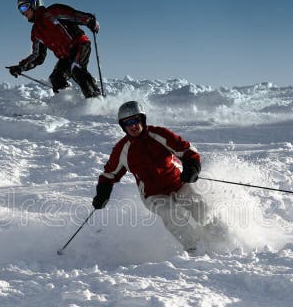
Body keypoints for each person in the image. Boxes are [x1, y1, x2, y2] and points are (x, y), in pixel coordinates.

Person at [92, 101, 222, 254]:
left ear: (142, 119)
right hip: (153, 195)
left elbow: (186, 150)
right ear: (123, 126)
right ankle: (195, 249)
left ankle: (221, 238)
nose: (133, 126)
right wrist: (102, 193)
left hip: (178, 184)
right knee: (172, 214)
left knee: (200, 207)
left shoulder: (159, 135)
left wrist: (192, 167)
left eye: (135, 120)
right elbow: (109, 174)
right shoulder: (122, 149)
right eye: (128, 123)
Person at [7, 0, 101, 99]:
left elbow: (73, 15)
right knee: (56, 78)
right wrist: (20, 67)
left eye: (24, 7)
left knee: (76, 69)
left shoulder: (53, 12)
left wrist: (89, 20)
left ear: (35, 4)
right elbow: (37, 56)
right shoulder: (36, 32)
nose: (22, 12)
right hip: (65, 57)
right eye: (20, 10)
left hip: (79, 44)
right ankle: (69, 102)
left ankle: (96, 99)